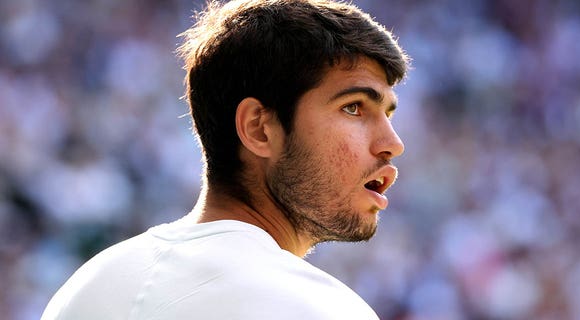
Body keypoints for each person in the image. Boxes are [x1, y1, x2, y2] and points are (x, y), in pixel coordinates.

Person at [42, 0, 408, 318]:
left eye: (388, 114)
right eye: (354, 108)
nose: (392, 144)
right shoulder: (323, 308)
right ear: (259, 128)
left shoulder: (83, 289)